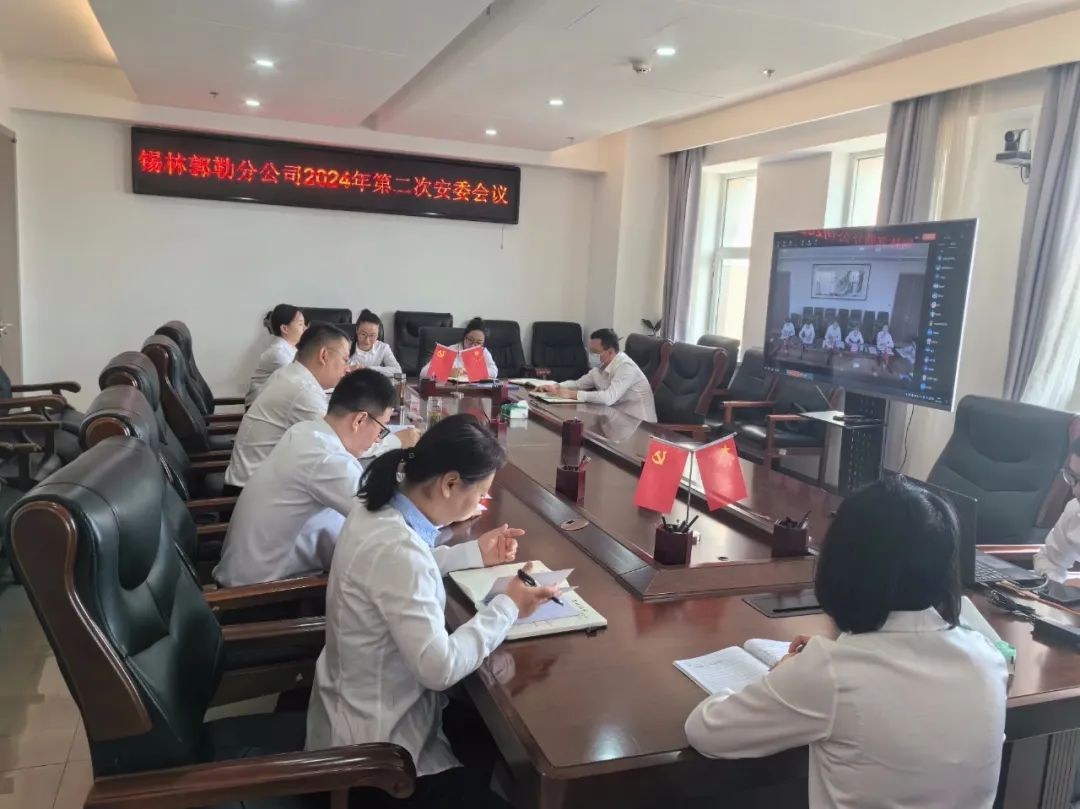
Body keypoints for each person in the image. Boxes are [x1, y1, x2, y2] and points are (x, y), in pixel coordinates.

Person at [685, 477, 1007, 809]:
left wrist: (784, 674)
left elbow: (706, 730)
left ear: (843, 566)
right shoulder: (987, 657)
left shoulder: (832, 673)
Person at [307, 414, 558, 808]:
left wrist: (475, 552)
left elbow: (402, 571)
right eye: (480, 493)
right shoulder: (399, 549)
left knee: (483, 734)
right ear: (450, 483)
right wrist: (509, 605)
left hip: (354, 715)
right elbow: (438, 668)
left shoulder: (378, 507)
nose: (480, 503)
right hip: (377, 767)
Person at [215, 370, 398, 587]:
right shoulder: (328, 459)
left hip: (246, 576)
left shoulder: (305, 431)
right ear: (359, 420)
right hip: (259, 595)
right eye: (381, 430)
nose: (377, 440)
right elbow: (386, 520)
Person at [225, 323, 418, 489]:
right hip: (249, 489)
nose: (347, 368)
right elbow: (346, 442)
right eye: (344, 360)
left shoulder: (291, 375)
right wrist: (396, 441)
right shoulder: (302, 392)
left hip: (259, 481)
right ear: (324, 355)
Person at [540, 328, 657, 422]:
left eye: (595, 352)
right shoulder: (599, 368)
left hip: (640, 424)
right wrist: (556, 386)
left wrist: (571, 394)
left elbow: (608, 398)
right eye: (590, 351)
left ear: (610, 352)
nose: (592, 355)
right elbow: (578, 384)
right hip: (616, 418)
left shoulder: (626, 366)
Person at [1034, 438, 1080, 582]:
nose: (1076, 491)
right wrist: (1058, 588)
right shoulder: (1075, 510)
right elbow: (1050, 561)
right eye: (1073, 477)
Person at [245, 304, 306, 405]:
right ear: (285, 328)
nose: (305, 328)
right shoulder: (279, 353)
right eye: (300, 324)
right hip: (258, 407)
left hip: (273, 403)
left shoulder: (291, 349)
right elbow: (299, 382)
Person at [419, 316, 498, 380]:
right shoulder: (451, 350)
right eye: (470, 340)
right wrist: (448, 372)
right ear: (464, 337)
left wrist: (467, 371)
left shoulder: (483, 351)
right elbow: (423, 373)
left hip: (475, 390)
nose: (473, 346)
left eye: (479, 342)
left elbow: (494, 372)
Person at [349, 309, 403, 377]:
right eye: (363, 334)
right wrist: (348, 369)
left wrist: (369, 369)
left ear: (378, 334)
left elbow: (398, 371)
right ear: (357, 330)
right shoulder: (346, 346)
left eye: (372, 335)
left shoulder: (383, 348)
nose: (367, 340)